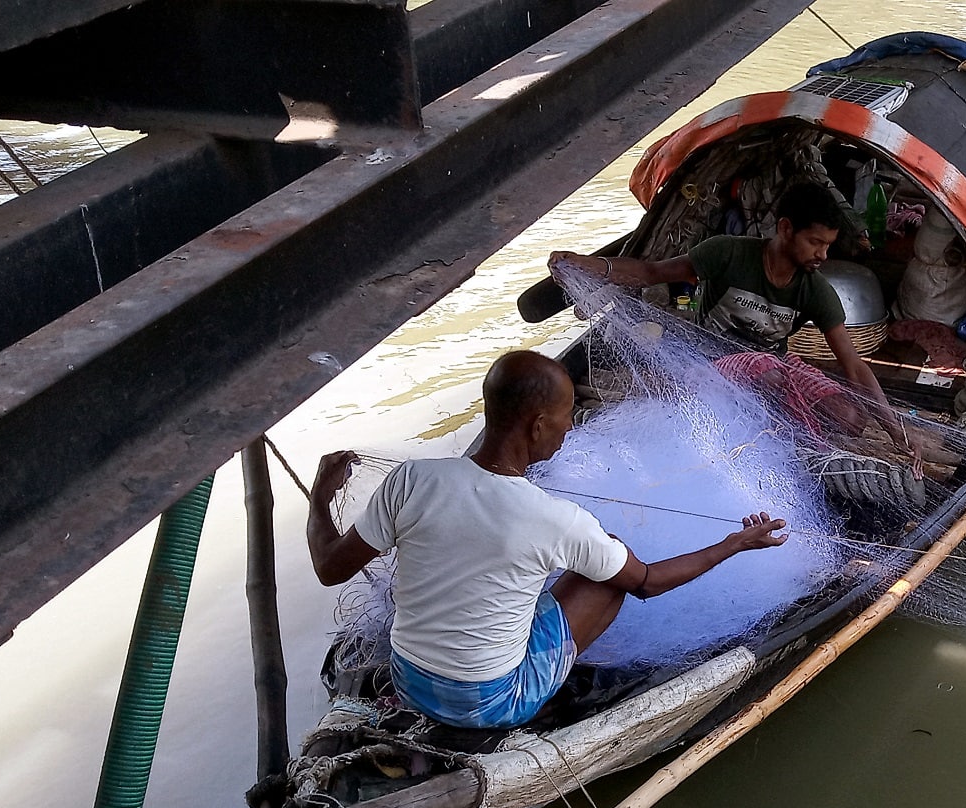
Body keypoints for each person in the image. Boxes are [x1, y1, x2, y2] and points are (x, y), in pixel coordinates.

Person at [306, 349, 787, 730]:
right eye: (565, 416)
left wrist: (319, 501)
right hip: (490, 703)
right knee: (609, 575)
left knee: (563, 570)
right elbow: (648, 582)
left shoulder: (412, 480)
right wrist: (735, 543)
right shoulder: (554, 518)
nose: (570, 427)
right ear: (538, 425)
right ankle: (536, 701)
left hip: (408, 680)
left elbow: (329, 568)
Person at [547, 182, 918, 454]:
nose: (822, 254)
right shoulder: (726, 253)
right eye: (815, 242)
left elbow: (853, 366)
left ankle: (773, 427)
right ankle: (779, 439)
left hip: (773, 366)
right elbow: (649, 273)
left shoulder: (814, 289)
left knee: (851, 419)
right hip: (710, 363)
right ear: (786, 228)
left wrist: (895, 430)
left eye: (828, 245)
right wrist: (587, 264)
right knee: (771, 375)